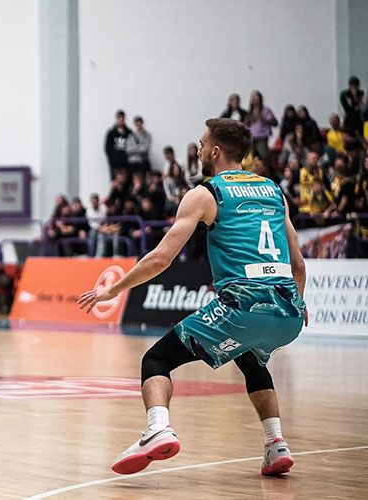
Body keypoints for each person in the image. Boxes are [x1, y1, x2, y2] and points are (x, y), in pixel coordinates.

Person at [79, 118, 306, 477]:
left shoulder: (206, 193)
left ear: (215, 151)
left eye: (201, 145)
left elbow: (161, 259)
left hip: (243, 306)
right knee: (250, 359)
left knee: (156, 359)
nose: (198, 151)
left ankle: (158, 429)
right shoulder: (274, 191)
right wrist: (299, 303)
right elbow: (298, 264)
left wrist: (114, 288)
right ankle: (275, 443)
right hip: (289, 312)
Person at [244, 90, 278, 160]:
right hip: (251, 137)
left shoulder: (265, 110)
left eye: (256, 97)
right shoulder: (250, 112)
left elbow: (275, 123)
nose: (254, 99)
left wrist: (270, 119)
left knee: (263, 156)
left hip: (262, 137)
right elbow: (246, 125)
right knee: (250, 157)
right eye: (253, 97)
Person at [104, 110, 133, 180]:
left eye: (122, 118)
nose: (121, 120)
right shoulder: (111, 133)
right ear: (116, 119)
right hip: (114, 163)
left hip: (126, 163)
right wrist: (112, 160)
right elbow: (107, 148)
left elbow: (133, 147)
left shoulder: (129, 133)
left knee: (126, 180)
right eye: (119, 118)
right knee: (115, 181)